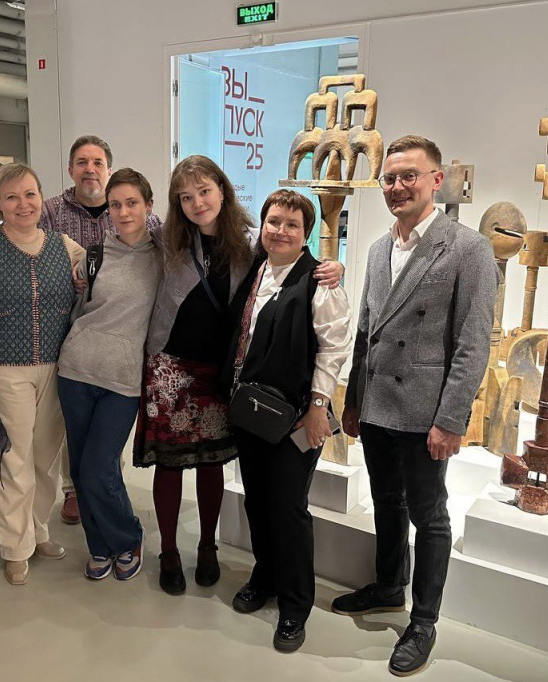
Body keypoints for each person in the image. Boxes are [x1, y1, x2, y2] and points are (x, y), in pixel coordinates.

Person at [135, 155, 343, 595]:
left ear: (222, 191)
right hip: (169, 366)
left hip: (220, 372)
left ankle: (207, 546)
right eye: (185, 197)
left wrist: (333, 266)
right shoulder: (168, 239)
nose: (197, 203)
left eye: (204, 191)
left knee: (211, 462)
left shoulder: (250, 241)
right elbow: (125, 238)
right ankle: (169, 551)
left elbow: (292, 258)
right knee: (169, 464)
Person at [334, 135, 498, 676]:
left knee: (429, 516)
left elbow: (473, 343)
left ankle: (424, 620)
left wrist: (450, 420)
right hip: (378, 404)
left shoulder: (468, 248)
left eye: (410, 176)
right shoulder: (378, 248)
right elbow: (366, 330)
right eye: (390, 178)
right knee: (386, 501)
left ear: (436, 180)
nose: (398, 186)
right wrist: (354, 401)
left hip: (425, 412)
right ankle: (388, 586)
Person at [0, 163, 85, 586]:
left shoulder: (65, 245)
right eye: (11, 197)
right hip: (4, 371)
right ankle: (15, 546)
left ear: (42, 198)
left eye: (30, 194)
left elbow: (98, 277)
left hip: (57, 369)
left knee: (45, 457)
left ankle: (38, 531)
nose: (23, 204)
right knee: (12, 459)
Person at [227, 190, 351, 653]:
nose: (281, 231)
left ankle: (296, 605)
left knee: (289, 508)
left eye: (292, 225)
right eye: (274, 221)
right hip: (252, 411)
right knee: (257, 501)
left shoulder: (320, 281)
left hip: (297, 416)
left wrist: (318, 406)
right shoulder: (255, 269)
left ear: (306, 233)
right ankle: (266, 577)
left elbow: (334, 346)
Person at [38, 134, 161, 525]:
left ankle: (117, 528)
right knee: (79, 455)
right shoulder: (51, 211)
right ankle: (80, 500)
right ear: (70, 169)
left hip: (122, 364)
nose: (89, 169)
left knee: (100, 462)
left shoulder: (158, 242)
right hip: (74, 347)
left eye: (97, 163)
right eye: (81, 162)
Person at [56, 168, 162, 581]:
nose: (123, 212)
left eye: (132, 203)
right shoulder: (95, 255)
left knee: (99, 467)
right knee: (81, 470)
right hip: (76, 370)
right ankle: (99, 545)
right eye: (115, 205)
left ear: (148, 205)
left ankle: (127, 536)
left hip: (122, 381)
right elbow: (78, 307)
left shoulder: (165, 256)